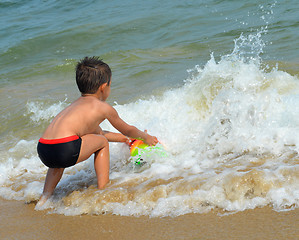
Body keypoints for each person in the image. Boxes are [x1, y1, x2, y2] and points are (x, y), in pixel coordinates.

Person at [37, 56, 158, 205]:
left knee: (58, 163)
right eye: (110, 86)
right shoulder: (102, 107)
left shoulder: (75, 107)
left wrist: (124, 139)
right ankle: (103, 187)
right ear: (103, 87)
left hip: (45, 150)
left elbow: (98, 133)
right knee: (101, 143)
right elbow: (127, 129)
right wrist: (146, 137)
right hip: (65, 148)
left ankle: (45, 197)